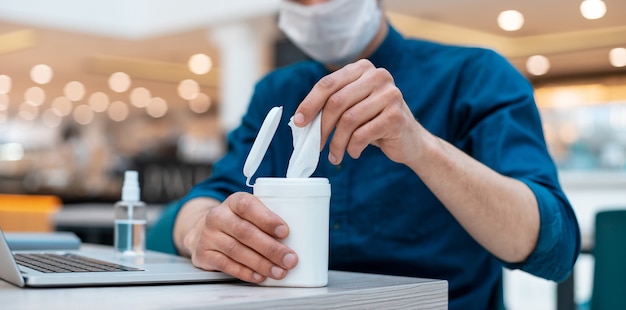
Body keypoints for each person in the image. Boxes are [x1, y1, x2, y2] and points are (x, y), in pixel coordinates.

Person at [148, 0, 581, 308]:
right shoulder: (276, 93)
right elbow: (215, 194)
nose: (316, 8)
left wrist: (421, 147)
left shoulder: (474, 76)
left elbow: (554, 248)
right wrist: (200, 229)